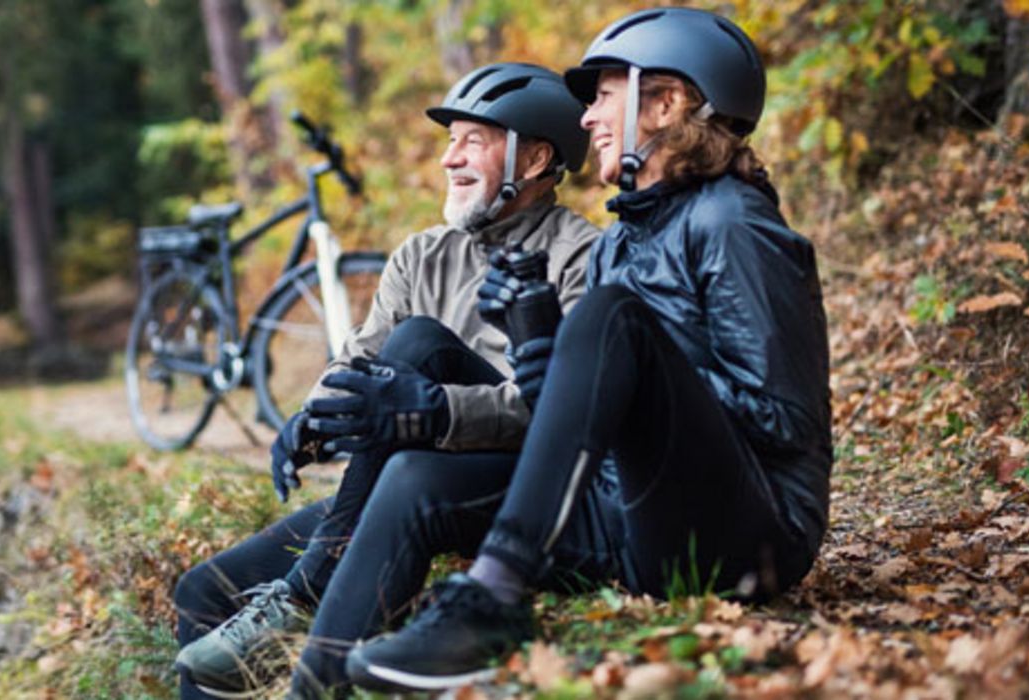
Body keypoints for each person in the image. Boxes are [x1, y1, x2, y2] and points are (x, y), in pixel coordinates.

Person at [336, 8, 834, 692]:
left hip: (754, 536)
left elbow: (785, 420)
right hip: (633, 518)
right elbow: (575, 435)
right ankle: (314, 680)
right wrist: (542, 347)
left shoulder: (732, 222)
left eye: (603, 95)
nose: (586, 116)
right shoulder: (619, 245)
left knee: (612, 317)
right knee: (415, 483)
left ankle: (494, 597)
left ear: (665, 103)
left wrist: (634, 361)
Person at [171, 62, 600, 698]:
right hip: (395, 479)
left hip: (504, 487)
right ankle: (307, 586)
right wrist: (317, 417)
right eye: (448, 141)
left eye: (473, 140)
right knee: (202, 593)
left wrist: (438, 410)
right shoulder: (420, 254)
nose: (449, 159)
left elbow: (563, 409)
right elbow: (359, 359)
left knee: (423, 343)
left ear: (535, 158)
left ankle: (311, 585)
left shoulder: (582, 256)